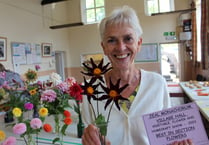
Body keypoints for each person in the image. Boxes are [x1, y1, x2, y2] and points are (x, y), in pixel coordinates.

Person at [81, 6, 194, 145]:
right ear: (104, 47)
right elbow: (87, 132)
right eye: (111, 40)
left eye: (128, 38)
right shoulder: (91, 90)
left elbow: (167, 136)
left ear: (139, 43)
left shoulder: (157, 84)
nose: (121, 47)